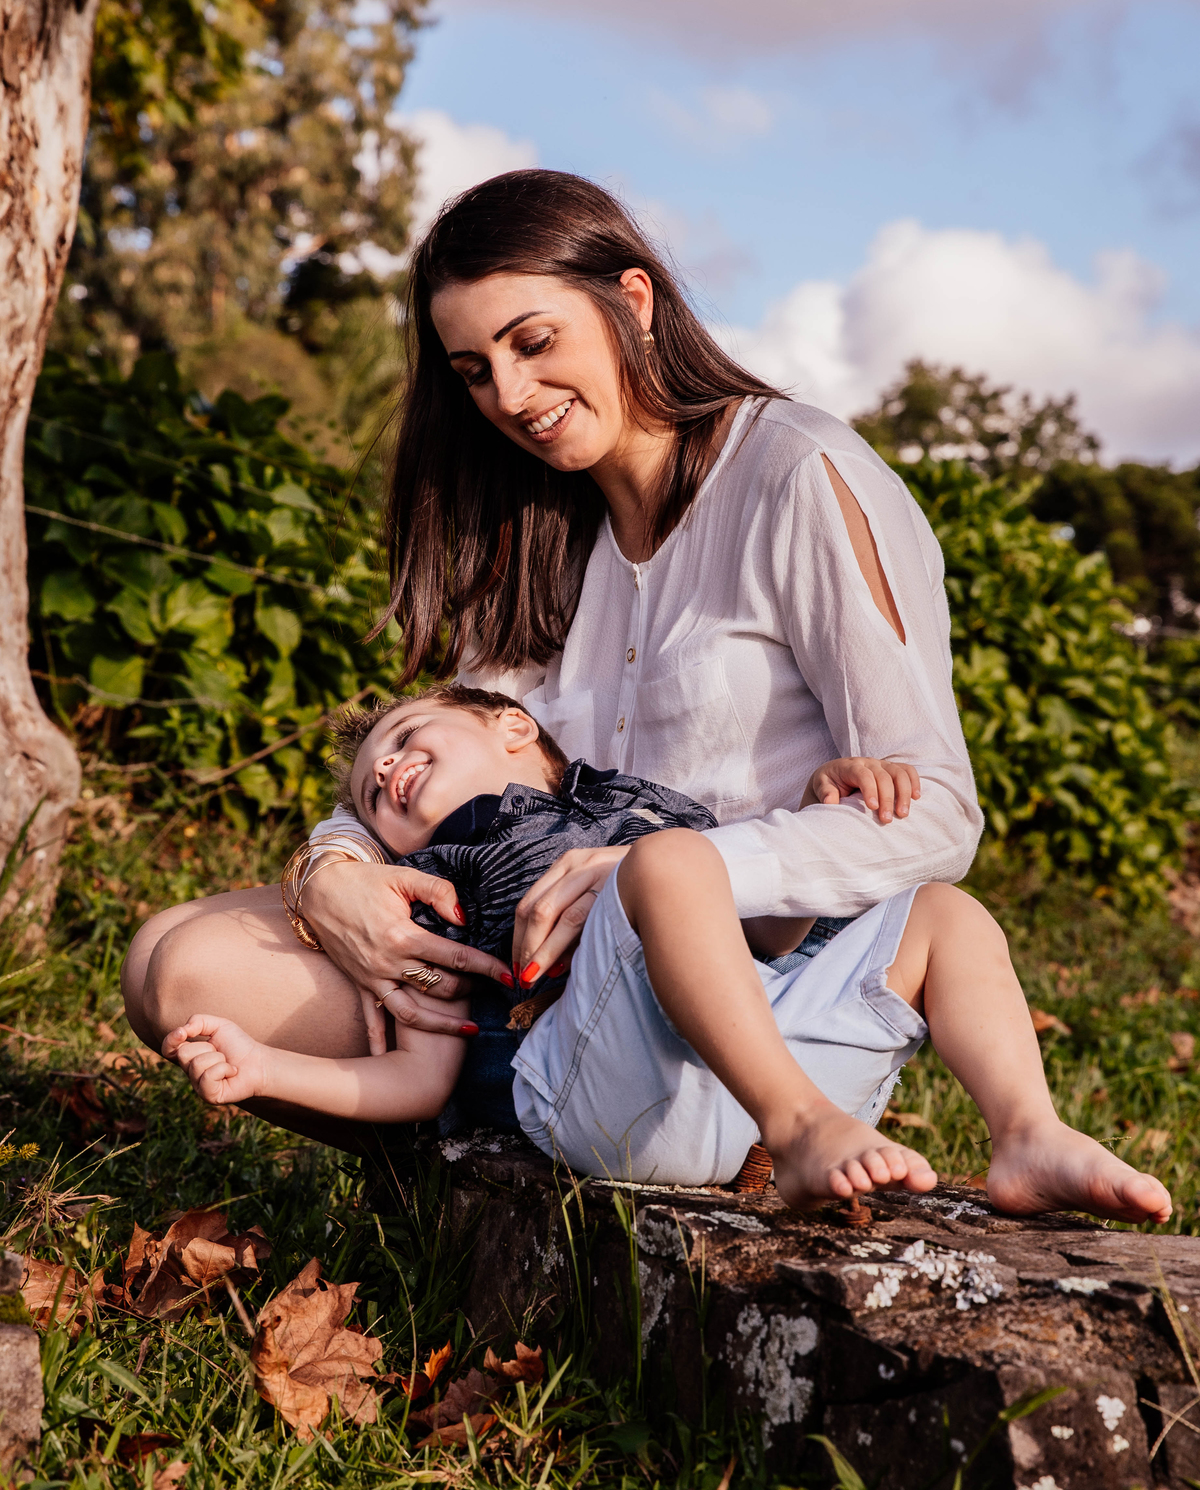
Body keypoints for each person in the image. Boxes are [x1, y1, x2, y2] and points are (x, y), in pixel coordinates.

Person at [126, 168, 1169, 1222]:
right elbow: (460, 742)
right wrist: (334, 869)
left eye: (535, 344)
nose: (512, 397)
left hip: (760, 983)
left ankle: (844, 1128)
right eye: (475, 371)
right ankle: (455, 1183)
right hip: (538, 989)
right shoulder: (535, 528)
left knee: (902, 911)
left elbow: (937, 811)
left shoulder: (798, 475)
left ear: (633, 300)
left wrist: (685, 870)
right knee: (176, 967)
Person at [164, 685, 1169, 1220]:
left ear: (512, 725)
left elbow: (772, 928)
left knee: (942, 910)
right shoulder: (445, 879)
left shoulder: (642, 807)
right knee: (672, 865)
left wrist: (825, 814)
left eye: (408, 733)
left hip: (741, 1059)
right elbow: (420, 1078)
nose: (384, 767)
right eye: (373, 784)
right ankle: (806, 1131)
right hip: (599, 1096)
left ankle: (1028, 1133)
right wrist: (268, 1069)